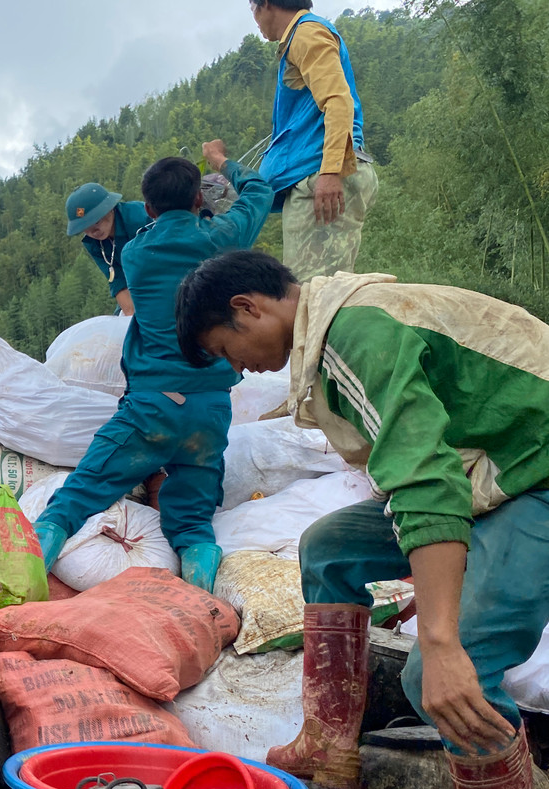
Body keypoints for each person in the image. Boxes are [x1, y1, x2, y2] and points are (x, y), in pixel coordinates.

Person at [175, 249, 549, 789]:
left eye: (226, 349)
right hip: (493, 467)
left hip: (536, 471)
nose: (237, 368)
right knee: (329, 548)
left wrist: (437, 638)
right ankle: (328, 738)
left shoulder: (355, 334)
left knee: (446, 669)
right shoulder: (331, 331)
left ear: (248, 308)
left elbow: (426, 481)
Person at [33, 143, 274, 594]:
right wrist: (223, 163)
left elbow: (131, 301)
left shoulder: (134, 256)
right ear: (199, 199)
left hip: (152, 406)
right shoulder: (222, 236)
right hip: (210, 408)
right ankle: (201, 603)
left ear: (145, 208)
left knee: (76, 498)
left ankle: (18, 593)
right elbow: (259, 190)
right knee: (195, 525)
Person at [251, 0, 378, 281]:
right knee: (313, 293)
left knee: (314, 295)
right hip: (315, 178)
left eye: (252, 9)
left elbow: (337, 100)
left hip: (320, 179)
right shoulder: (300, 38)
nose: (255, 20)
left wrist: (331, 171)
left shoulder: (307, 34)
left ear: (266, 5)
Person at [65, 181, 150, 316]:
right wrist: (131, 320)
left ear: (110, 208)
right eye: (85, 227)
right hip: (135, 289)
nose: (93, 231)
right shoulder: (92, 243)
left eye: (96, 222)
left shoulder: (142, 218)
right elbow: (118, 282)